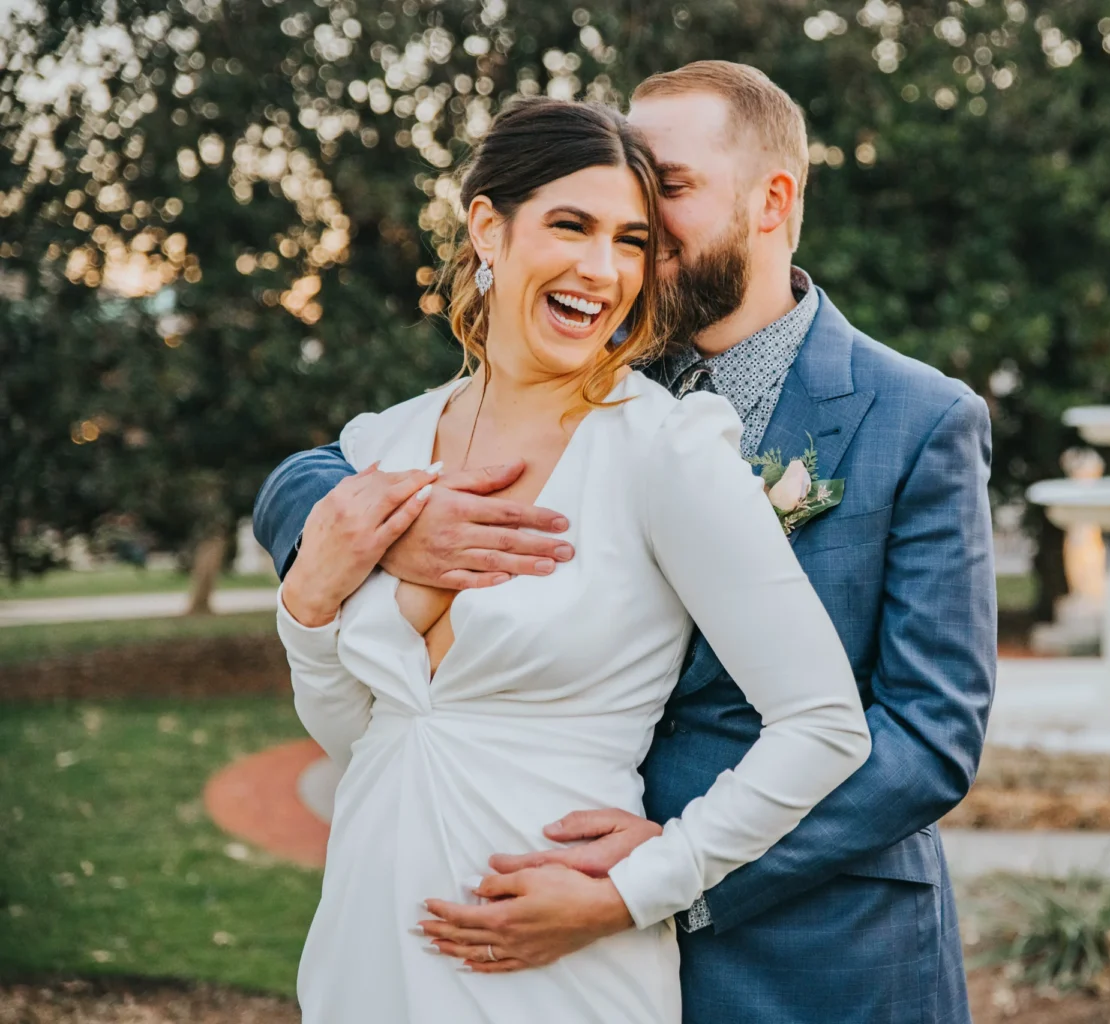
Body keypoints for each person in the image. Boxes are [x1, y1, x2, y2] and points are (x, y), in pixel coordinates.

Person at [255, 62, 997, 1024]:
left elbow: (928, 740)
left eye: (663, 195)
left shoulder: (916, 418)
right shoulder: (570, 360)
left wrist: (663, 876)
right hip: (472, 912)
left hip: (810, 948)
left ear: (772, 201)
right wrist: (374, 533)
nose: (622, 234)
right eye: (595, 208)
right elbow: (313, 475)